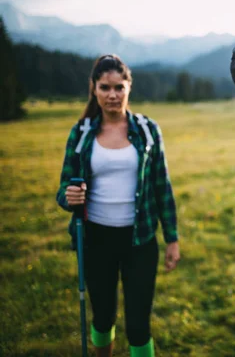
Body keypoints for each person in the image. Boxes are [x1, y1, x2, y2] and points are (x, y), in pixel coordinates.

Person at [56, 54, 180, 357]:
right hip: (96, 239)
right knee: (102, 316)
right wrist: (68, 196)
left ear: (129, 88)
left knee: (138, 324)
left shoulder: (148, 130)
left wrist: (172, 238)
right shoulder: (82, 133)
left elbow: (162, 185)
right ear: (94, 89)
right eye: (105, 87)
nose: (112, 94)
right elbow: (63, 189)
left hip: (140, 240)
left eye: (118, 87)